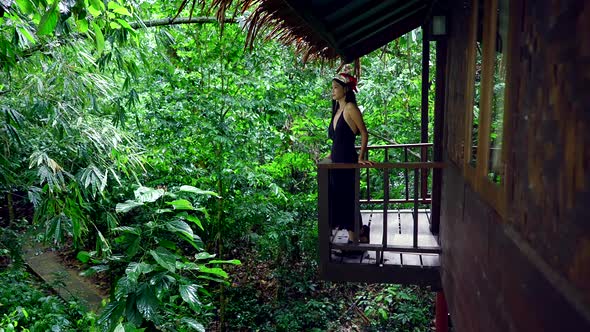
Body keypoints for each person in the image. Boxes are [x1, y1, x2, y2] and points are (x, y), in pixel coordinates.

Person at [326, 72, 371, 247]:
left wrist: (360, 157)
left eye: (336, 87)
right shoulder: (336, 110)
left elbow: (364, 133)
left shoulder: (351, 108)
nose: (333, 91)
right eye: (332, 88)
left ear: (345, 89)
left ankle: (354, 240)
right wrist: (330, 156)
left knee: (349, 198)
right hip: (336, 162)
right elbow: (337, 140)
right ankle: (359, 232)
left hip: (348, 160)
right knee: (340, 198)